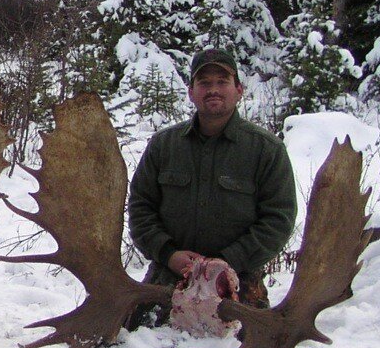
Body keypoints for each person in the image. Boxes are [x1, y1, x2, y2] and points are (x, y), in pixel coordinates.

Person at [126, 47, 297, 329]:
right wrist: (168, 254)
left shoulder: (267, 150)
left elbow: (278, 220)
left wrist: (228, 261)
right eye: (204, 83)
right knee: (134, 342)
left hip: (236, 279)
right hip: (168, 279)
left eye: (222, 82)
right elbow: (141, 207)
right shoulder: (163, 145)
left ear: (239, 90)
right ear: (191, 91)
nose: (213, 90)